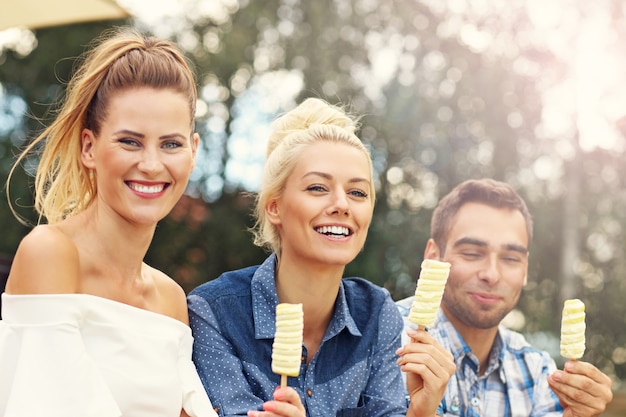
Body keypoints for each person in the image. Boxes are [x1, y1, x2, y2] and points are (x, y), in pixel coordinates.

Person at [188, 97, 455, 417]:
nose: (342, 204)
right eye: (317, 188)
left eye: (357, 192)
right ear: (274, 206)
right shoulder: (213, 314)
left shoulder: (377, 313)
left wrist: (421, 412)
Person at [0, 27, 218, 417]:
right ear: (89, 147)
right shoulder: (49, 253)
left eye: (171, 144)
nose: (151, 165)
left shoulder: (169, 299)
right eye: (130, 141)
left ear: (193, 151)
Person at [396, 178, 613, 416]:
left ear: (525, 269)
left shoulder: (537, 371)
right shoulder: (384, 341)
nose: (491, 274)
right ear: (433, 256)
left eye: (510, 259)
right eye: (471, 253)